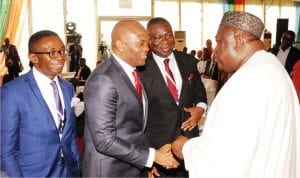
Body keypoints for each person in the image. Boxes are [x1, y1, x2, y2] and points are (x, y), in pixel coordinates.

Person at [171, 11, 300, 178]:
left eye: (219, 41)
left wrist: (185, 148)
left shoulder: (247, 81)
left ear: (238, 40)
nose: (215, 50)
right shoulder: (273, 68)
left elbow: (223, 162)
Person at [81, 19, 179, 177]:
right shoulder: (104, 79)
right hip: (109, 171)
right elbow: (105, 141)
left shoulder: (133, 71)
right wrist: (152, 157)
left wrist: (146, 163)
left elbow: (135, 127)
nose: (147, 49)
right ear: (120, 45)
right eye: (141, 44)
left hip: (131, 167)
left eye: (147, 43)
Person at [0, 30, 80, 177]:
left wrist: (76, 163)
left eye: (62, 51)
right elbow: (6, 152)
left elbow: (70, 134)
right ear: (33, 57)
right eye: (52, 53)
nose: (61, 57)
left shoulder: (67, 88)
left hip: (67, 172)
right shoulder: (12, 92)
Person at [138, 17, 207, 177]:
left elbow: (199, 92)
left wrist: (200, 109)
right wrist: (149, 158)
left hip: (188, 143)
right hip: (159, 148)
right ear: (149, 40)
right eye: (158, 37)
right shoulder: (141, 68)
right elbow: (137, 115)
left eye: (168, 35)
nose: (165, 41)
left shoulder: (189, 61)